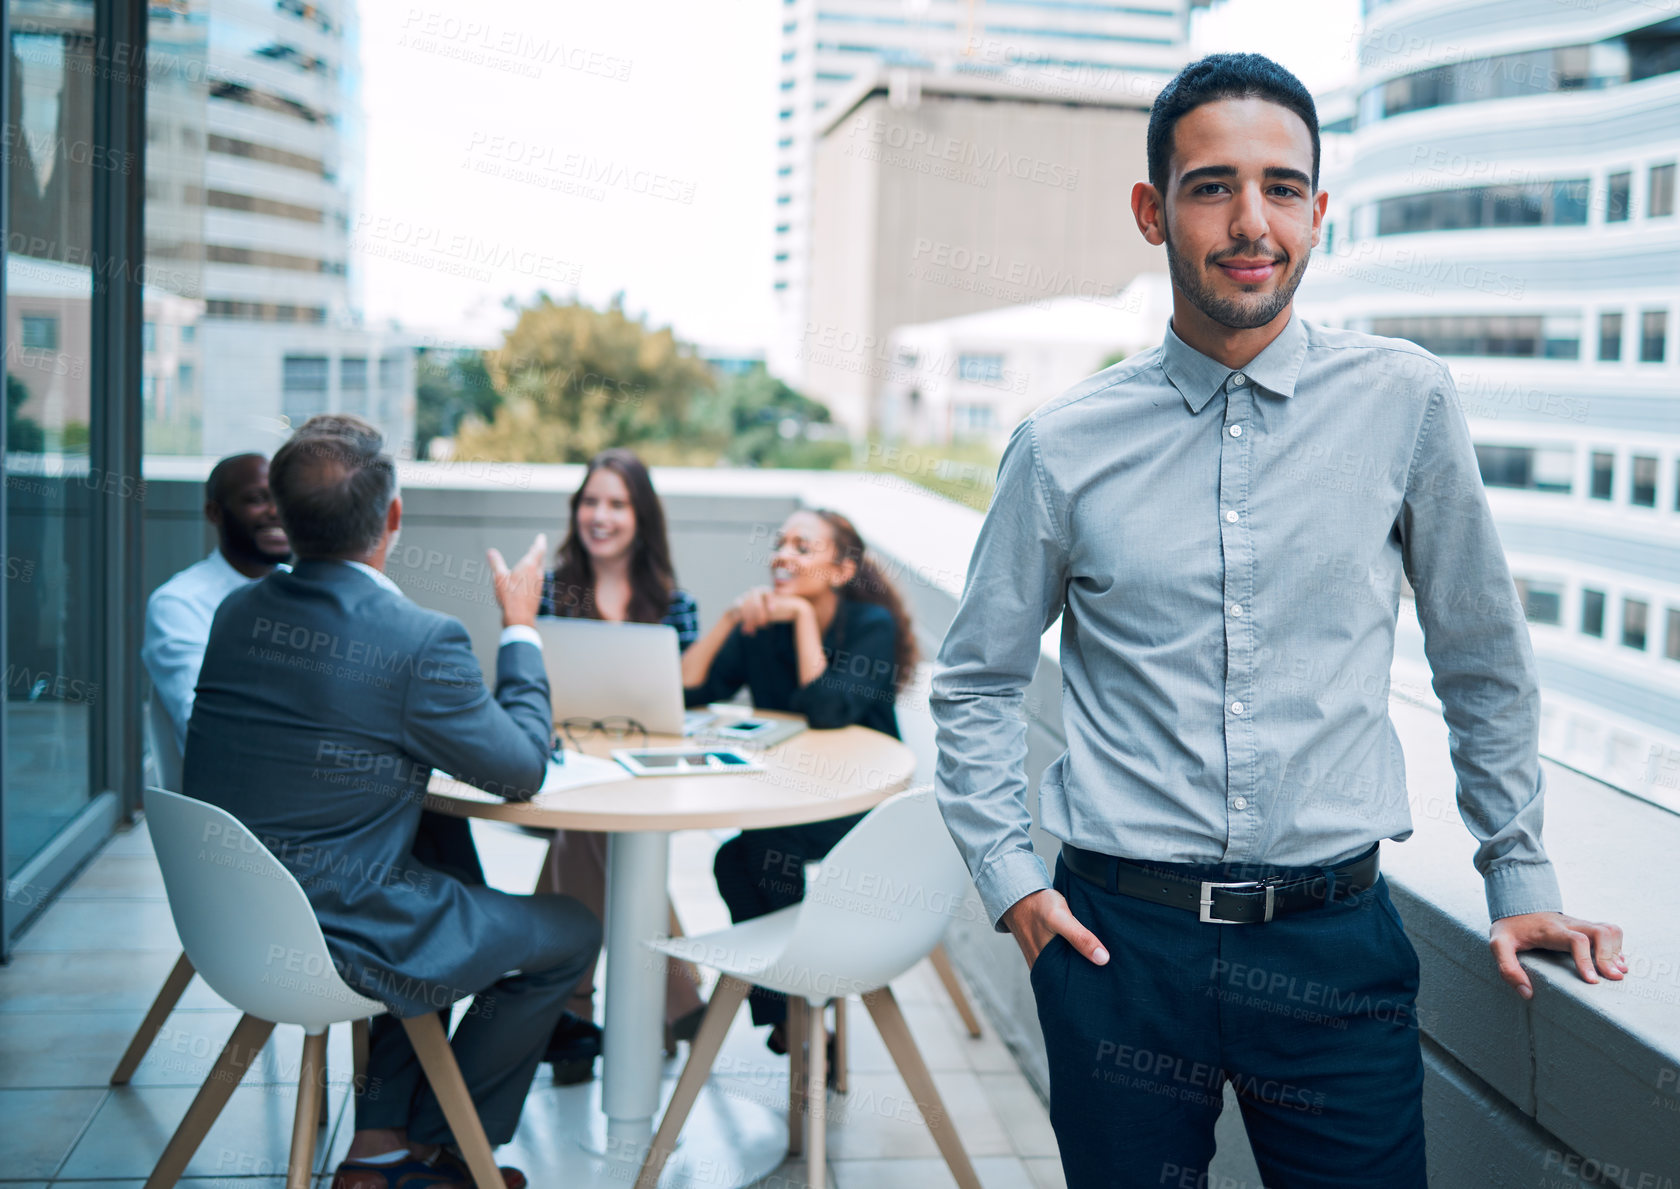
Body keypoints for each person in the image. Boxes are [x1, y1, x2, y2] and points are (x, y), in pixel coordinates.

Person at [930, 53, 1627, 1189]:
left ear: (1319, 212)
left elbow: (1481, 658)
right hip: (1119, 947)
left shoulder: (1406, 404)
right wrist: (1013, 882)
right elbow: (975, 681)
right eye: (1212, 187)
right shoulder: (1062, 447)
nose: (1252, 221)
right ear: (1154, 210)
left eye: (1283, 187)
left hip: (1334, 946)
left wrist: (1522, 876)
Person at [184, 414, 601, 1189]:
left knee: (438, 859)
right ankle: (446, 1149)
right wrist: (519, 627)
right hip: (343, 935)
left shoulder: (236, 613)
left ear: (283, 512)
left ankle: (378, 1145)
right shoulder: (416, 638)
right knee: (571, 929)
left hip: (230, 920)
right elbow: (520, 770)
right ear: (394, 517)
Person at [682, 507, 916, 1051]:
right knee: (742, 857)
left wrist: (804, 621)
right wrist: (728, 619)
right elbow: (688, 689)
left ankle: (799, 1007)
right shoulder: (763, 625)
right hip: (793, 800)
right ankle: (796, 1015)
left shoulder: (870, 628)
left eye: (803, 547)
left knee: (757, 853)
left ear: (840, 569)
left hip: (865, 808)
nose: (782, 555)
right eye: (780, 543)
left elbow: (828, 709)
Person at [535, 448, 705, 1082]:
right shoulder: (551, 590)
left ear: (641, 516)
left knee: (583, 839)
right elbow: (530, 685)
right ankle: (680, 1003)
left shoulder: (674, 601)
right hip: (563, 771)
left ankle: (569, 1009)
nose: (599, 516)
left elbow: (687, 699)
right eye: (589, 502)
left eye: (615, 503)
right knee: (586, 829)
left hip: (649, 774)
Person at [141, 452, 291, 754]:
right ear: (214, 513)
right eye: (256, 499)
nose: (276, 511)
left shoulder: (308, 589)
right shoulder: (179, 603)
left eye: (284, 499)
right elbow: (204, 724)